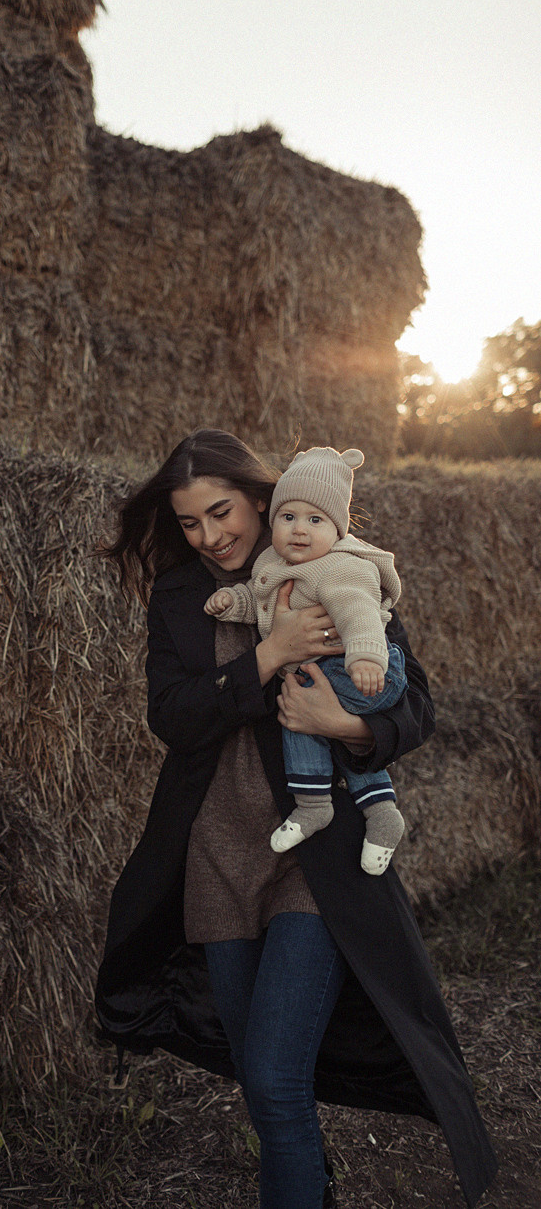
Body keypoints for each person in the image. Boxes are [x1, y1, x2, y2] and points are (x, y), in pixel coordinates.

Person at [94, 429, 496, 1209]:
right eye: (189, 523)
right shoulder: (179, 595)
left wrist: (345, 726)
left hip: (314, 852)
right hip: (217, 855)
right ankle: (311, 1186)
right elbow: (171, 717)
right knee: (259, 1079)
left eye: (221, 512)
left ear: (259, 498)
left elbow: (414, 706)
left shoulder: (334, 562)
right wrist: (268, 654)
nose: (208, 536)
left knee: (276, 1076)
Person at [204, 445, 407, 876]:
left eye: (315, 520)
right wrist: (233, 601)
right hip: (321, 673)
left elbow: (357, 611)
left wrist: (365, 657)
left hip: (363, 669)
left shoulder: (340, 566)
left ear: (337, 530)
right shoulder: (273, 562)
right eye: (288, 517)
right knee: (304, 717)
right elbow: (262, 600)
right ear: (272, 520)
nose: (299, 529)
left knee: (305, 711)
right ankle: (358, 808)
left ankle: (332, 806)